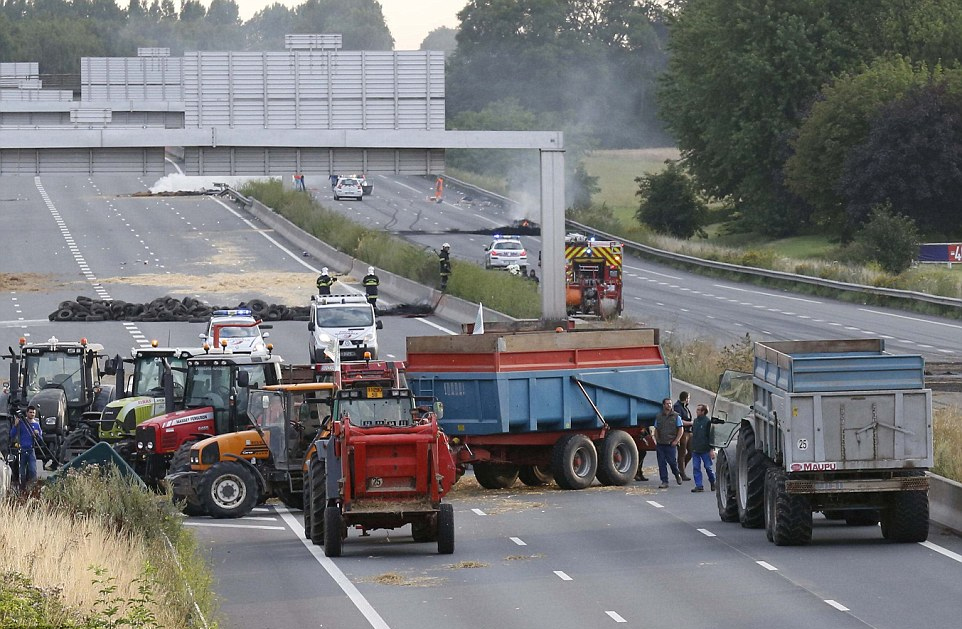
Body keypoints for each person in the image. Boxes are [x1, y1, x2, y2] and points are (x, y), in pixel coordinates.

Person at [652, 398, 684, 489]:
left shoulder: (676, 416)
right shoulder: (659, 416)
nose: (669, 405)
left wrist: (676, 440)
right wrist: (656, 439)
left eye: (670, 403)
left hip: (671, 443)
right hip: (661, 444)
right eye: (667, 404)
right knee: (661, 463)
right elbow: (656, 428)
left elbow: (680, 429)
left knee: (672, 462)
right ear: (663, 405)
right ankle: (664, 481)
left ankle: (677, 474)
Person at [9, 405, 43, 489]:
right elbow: (12, 434)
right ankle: (22, 488)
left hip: (31, 450)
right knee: (22, 472)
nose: (32, 414)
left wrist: (37, 434)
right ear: (27, 413)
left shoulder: (36, 424)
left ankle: (33, 488)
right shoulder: (21, 423)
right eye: (30, 412)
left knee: (32, 470)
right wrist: (15, 425)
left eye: (33, 413)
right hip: (22, 450)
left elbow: (40, 439)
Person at [690, 403, 719, 493]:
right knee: (696, 467)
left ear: (703, 412)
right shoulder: (695, 421)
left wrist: (711, 449)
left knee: (708, 467)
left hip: (705, 449)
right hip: (695, 448)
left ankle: (713, 481)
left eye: (699, 410)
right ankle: (699, 485)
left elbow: (711, 436)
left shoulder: (707, 422)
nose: (697, 411)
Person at [674, 391, 693, 481]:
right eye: (688, 398)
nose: (689, 400)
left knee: (692, 451)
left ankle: (682, 468)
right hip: (683, 432)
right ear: (685, 399)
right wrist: (690, 423)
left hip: (689, 431)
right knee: (681, 453)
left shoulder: (685, 408)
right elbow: (679, 420)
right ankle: (682, 472)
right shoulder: (678, 407)